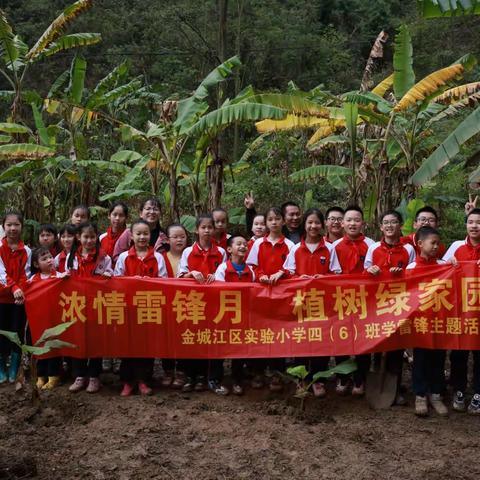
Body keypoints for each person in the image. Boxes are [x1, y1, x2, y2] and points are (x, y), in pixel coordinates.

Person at [283, 208, 341, 397]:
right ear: (304, 225)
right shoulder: (295, 249)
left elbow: (337, 274)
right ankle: (302, 380)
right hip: (300, 304)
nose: (313, 226)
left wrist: (322, 278)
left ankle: (318, 380)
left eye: (317, 223)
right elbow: (288, 274)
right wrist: (301, 278)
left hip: (322, 305)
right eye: (309, 222)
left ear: (322, 225)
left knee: (321, 340)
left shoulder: (330, 248)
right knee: (301, 340)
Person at [365, 210, 416, 403]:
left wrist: (401, 273)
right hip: (377, 303)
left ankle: (396, 387)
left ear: (400, 225)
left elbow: (413, 274)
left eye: (393, 222)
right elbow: (365, 271)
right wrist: (371, 270)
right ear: (380, 227)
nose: (389, 226)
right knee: (378, 342)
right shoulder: (374, 248)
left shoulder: (408, 249)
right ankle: (378, 376)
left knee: (396, 345)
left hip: (400, 303)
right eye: (385, 223)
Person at [114, 220, 167, 396]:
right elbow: (116, 281)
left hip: (149, 307)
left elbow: (164, 281)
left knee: (146, 345)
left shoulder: (158, 257)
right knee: (127, 345)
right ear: (131, 235)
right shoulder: (123, 257)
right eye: (139, 233)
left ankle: (144, 380)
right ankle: (127, 381)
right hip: (129, 309)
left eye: (146, 233)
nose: (142, 237)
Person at [178, 214, 227, 394]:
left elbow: (225, 274)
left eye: (210, 227)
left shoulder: (221, 252)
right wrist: (191, 274)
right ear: (196, 230)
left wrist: (217, 277)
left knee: (215, 339)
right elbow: (180, 276)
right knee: (193, 338)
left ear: (214, 230)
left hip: (215, 304)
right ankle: (193, 377)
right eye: (203, 227)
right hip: (193, 303)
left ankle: (214, 378)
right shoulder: (187, 252)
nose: (207, 231)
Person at [247, 207, 294, 391]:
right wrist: (261, 276)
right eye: (270, 219)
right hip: (260, 296)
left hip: (281, 296)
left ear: (283, 221)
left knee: (278, 334)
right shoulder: (258, 244)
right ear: (266, 223)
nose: (274, 222)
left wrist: (281, 273)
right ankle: (258, 371)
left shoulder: (290, 245)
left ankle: (277, 373)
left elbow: (292, 269)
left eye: (277, 218)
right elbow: (252, 265)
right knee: (259, 333)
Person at [405, 226, 448, 416]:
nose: (436, 246)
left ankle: (436, 394)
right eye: (433, 243)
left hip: (440, 322)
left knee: (439, 359)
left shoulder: (444, 265)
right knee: (420, 359)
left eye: (438, 243)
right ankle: (420, 395)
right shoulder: (411, 268)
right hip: (420, 324)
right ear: (420, 244)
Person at [332, 206, 375, 395]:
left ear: (362, 223)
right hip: (340, 300)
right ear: (342, 223)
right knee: (340, 338)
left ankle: (360, 378)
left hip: (366, 302)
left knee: (363, 340)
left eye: (356, 220)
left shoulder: (372, 245)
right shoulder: (334, 247)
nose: (352, 224)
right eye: (348, 220)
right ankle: (343, 376)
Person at [66, 222, 113, 393]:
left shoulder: (104, 257)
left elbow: (110, 276)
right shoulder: (71, 258)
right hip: (77, 305)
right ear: (78, 237)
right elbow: (68, 279)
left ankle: (94, 376)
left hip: (96, 305)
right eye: (85, 237)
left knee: (95, 341)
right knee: (78, 341)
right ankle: (80, 376)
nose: (89, 240)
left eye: (92, 237)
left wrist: (109, 276)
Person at [442, 207, 480, 414]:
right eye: (471, 222)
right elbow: (440, 268)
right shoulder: (456, 246)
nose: (475, 226)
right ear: (465, 224)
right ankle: (458, 389)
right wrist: (449, 263)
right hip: (460, 310)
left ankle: (477, 393)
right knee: (459, 352)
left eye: (479, 222)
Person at [215, 233, 256, 395]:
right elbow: (217, 290)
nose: (242, 246)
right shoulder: (223, 268)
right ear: (229, 249)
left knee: (240, 348)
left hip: (243, 316)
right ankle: (216, 380)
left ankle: (237, 380)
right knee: (221, 347)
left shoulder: (250, 270)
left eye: (245, 244)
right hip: (224, 315)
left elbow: (254, 292)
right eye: (238, 244)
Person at [29, 246, 68, 390]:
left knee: (54, 347)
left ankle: (54, 375)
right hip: (39, 321)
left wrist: (65, 278)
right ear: (36, 264)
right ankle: (41, 376)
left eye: (50, 257)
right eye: (44, 259)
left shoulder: (59, 276)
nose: (49, 260)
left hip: (55, 320)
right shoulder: (33, 279)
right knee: (40, 346)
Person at [0, 211, 31, 384]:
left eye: (16, 225)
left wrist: (19, 290)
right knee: (1, 332)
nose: (12, 228)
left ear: (22, 227)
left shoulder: (26, 250)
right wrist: (14, 288)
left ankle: (14, 368)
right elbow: (1, 273)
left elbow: (25, 275)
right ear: (4, 227)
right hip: (1, 298)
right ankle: (1, 368)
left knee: (17, 332)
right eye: (9, 225)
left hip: (18, 300)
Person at [161, 223, 189, 389]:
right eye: (175, 237)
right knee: (167, 337)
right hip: (165, 303)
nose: (179, 240)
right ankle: (168, 370)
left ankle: (182, 371)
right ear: (167, 239)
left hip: (186, 303)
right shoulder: (161, 257)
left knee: (184, 337)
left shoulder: (191, 254)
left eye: (182, 237)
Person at [113, 198, 168, 262]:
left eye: (155, 209)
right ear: (141, 213)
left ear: (160, 214)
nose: (152, 212)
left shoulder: (164, 237)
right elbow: (116, 256)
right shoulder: (129, 232)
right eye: (148, 209)